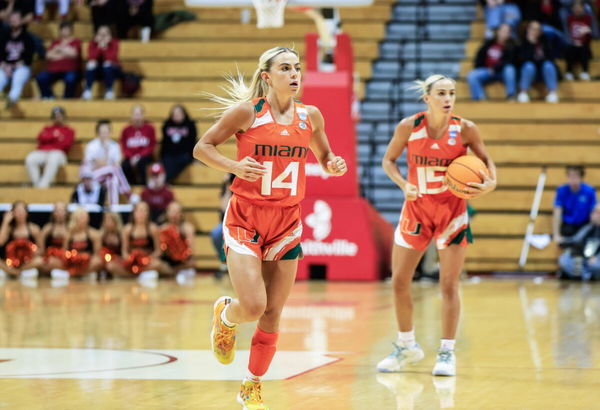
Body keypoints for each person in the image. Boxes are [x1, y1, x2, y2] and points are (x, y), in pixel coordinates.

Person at [193, 46, 347, 409]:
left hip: (287, 222)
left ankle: (251, 385)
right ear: (267, 77)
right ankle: (226, 316)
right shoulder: (248, 112)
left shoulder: (311, 116)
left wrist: (332, 163)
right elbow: (203, 147)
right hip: (246, 217)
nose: (294, 74)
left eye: (297, 68)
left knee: (273, 312)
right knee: (252, 304)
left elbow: (324, 155)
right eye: (285, 68)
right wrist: (234, 166)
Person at [376, 74, 497, 377]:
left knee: (448, 284)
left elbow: (486, 161)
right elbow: (388, 161)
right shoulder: (408, 127)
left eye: (452, 93)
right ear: (427, 98)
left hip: (451, 213)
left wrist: (489, 184)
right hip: (416, 210)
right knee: (400, 281)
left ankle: (446, 352)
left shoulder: (466, 129)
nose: (447, 98)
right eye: (441, 93)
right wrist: (403, 183)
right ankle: (406, 346)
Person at [84, 119, 132, 205]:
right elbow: (95, 166)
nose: (104, 134)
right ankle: (128, 193)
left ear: (110, 133)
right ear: (98, 133)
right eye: (102, 132)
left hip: (108, 177)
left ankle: (113, 209)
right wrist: (106, 152)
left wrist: (105, 165)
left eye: (106, 132)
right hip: (93, 177)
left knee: (113, 180)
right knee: (112, 169)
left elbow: (118, 164)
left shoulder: (115, 146)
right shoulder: (91, 146)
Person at [25, 106, 75, 188]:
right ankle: (37, 185)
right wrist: (56, 137)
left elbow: (66, 145)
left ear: (64, 116)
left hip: (59, 154)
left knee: (53, 157)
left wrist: (50, 138)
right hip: (44, 152)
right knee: (30, 158)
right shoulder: (47, 128)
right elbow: (40, 138)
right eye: (55, 116)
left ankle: (43, 186)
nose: (57, 118)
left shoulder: (69, 130)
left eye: (59, 116)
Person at [467, 23, 517, 100]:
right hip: (487, 71)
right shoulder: (489, 43)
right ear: (498, 32)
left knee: (510, 69)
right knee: (472, 75)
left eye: (507, 32)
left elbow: (510, 60)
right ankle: (481, 98)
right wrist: (480, 67)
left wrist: (495, 68)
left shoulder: (512, 46)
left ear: (509, 34)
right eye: (503, 31)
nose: (504, 33)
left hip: (502, 72)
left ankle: (511, 96)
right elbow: (479, 56)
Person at [50, 207, 103, 280]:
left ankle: (70, 274)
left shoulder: (94, 234)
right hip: (71, 262)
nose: (84, 219)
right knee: (52, 261)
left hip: (87, 262)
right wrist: (73, 258)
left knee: (98, 261)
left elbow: (97, 254)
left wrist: (85, 257)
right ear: (75, 219)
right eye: (81, 217)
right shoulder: (68, 234)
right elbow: (64, 251)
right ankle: (83, 274)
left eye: (86, 217)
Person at [121, 201, 168, 280]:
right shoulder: (127, 229)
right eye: (139, 210)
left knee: (158, 264)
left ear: (148, 213)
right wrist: (129, 259)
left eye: (144, 211)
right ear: (134, 213)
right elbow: (124, 251)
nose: (141, 214)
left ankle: (135, 275)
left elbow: (158, 251)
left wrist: (147, 259)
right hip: (132, 261)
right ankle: (143, 274)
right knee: (112, 266)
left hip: (148, 261)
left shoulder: (153, 229)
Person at [516, 20, 560, 103]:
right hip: (528, 72)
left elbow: (550, 58)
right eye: (533, 29)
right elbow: (521, 60)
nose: (535, 31)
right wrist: (531, 44)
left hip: (543, 71)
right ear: (528, 29)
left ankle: (552, 92)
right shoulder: (522, 42)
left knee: (548, 65)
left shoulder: (544, 41)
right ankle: (523, 92)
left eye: (537, 29)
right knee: (529, 65)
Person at [35, 20, 81, 99]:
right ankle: (49, 96)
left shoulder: (76, 41)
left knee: (70, 79)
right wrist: (65, 52)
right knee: (40, 78)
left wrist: (59, 50)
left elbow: (74, 54)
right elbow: (48, 56)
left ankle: (67, 99)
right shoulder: (55, 42)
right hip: (53, 70)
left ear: (71, 31)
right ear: (60, 31)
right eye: (63, 29)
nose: (65, 31)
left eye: (67, 29)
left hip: (69, 70)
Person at [553, 165, 597, 244]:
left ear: (581, 177)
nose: (572, 178)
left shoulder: (589, 191)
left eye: (575, 175)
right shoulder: (562, 190)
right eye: (570, 175)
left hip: (584, 224)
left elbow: (594, 211)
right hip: (568, 225)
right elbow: (557, 212)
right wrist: (556, 234)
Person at [0, 201, 43, 279]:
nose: (20, 214)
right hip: (10, 263)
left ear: (26, 213)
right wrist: (5, 222)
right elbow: (1, 241)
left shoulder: (34, 229)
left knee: (39, 261)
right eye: (17, 211)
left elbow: (41, 250)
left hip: (28, 263)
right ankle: (14, 272)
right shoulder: (9, 229)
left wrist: (31, 252)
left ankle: (17, 272)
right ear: (12, 213)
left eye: (22, 211)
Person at [0, 10, 34, 108]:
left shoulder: (28, 38)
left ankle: (12, 99)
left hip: (22, 67)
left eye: (15, 19)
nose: (13, 21)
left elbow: (28, 59)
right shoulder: (4, 36)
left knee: (18, 76)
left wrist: (14, 66)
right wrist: (4, 66)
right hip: (5, 66)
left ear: (21, 20)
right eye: (11, 19)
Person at [559, 204, 600, 280]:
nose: (594, 215)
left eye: (598, 212)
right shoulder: (588, 227)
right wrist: (564, 240)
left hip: (596, 260)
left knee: (596, 265)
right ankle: (587, 276)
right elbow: (575, 239)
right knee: (564, 259)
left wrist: (597, 257)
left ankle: (587, 275)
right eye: (594, 212)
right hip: (584, 259)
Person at [159, 201, 195, 283]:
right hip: (168, 262)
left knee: (191, 264)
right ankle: (171, 272)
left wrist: (181, 255)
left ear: (181, 214)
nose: (174, 214)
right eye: (172, 211)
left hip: (184, 263)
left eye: (177, 212)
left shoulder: (187, 228)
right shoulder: (161, 229)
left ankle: (174, 272)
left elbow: (191, 251)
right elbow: (160, 252)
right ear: (167, 213)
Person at [160, 104, 197, 183]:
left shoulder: (190, 125)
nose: (176, 116)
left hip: (184, 154)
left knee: (181, 160)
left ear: (184, 114)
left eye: (178, 114)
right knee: (167, 161)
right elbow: (165, 143)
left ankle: (164, 180)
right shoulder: (167, 125)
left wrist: (193, 156)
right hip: (170, 155)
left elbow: (192, 142)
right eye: (174, 114)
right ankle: (166, 180)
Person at [120, 104, 156, 185]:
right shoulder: (126, 130)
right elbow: (124, 147)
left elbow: (151, 146)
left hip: (145, 156)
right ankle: (132, 185)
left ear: (143, 115)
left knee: (142, 164)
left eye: (139, 114)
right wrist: (131, 157)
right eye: (135, 115)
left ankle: (144, 187)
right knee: (124, 166)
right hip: (130, 157)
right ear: (132, 116)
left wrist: (139, 156)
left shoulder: (150, 128)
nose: (137, 117)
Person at [82, 25, 120, 101]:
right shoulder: (93, 43)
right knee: (91, 64)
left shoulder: (114, 43)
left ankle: (109, 91)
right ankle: (87, 90)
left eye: (105, 34)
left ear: (110, 34)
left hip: (111, 69)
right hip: (97, 70)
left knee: (107, 64)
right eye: (100, 34)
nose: (102, 37)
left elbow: (111, 58)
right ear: (96, 35)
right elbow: (91, 57)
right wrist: (99, 47)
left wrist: (106, 46)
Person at [564, 0, 593, 81]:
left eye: (579, 7)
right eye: (575, 8)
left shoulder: (588, 18)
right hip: (572, 45)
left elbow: (590, 34)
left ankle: (585, 72)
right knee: (569, 48)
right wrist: (573, 42)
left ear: (583, 8)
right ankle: (568, 72)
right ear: (572, 9)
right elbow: (567, 33)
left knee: (584, 49)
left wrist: (582, 42)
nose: (577, 9)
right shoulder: (569, 18)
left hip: (584, 45)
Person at [39, 201, 69, 276]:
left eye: (62, 210)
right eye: (57, 210)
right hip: (50, 259)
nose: (59, 213)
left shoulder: (70, 229)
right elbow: (41, 249)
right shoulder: (47, 228)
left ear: (66, 212)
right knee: (40, 262)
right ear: (53, 213)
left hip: (66, 259)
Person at [99, 211, 129, 278]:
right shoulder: (101, 235)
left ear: (116, 221)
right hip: (105, 261)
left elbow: (125, 252)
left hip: (118, 260)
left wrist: (120, 259)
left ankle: (130, 275)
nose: (108, 222)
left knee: (111, 266)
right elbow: (98, 252)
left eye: (111, 219)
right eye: (106, 219)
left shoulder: (122, 234)